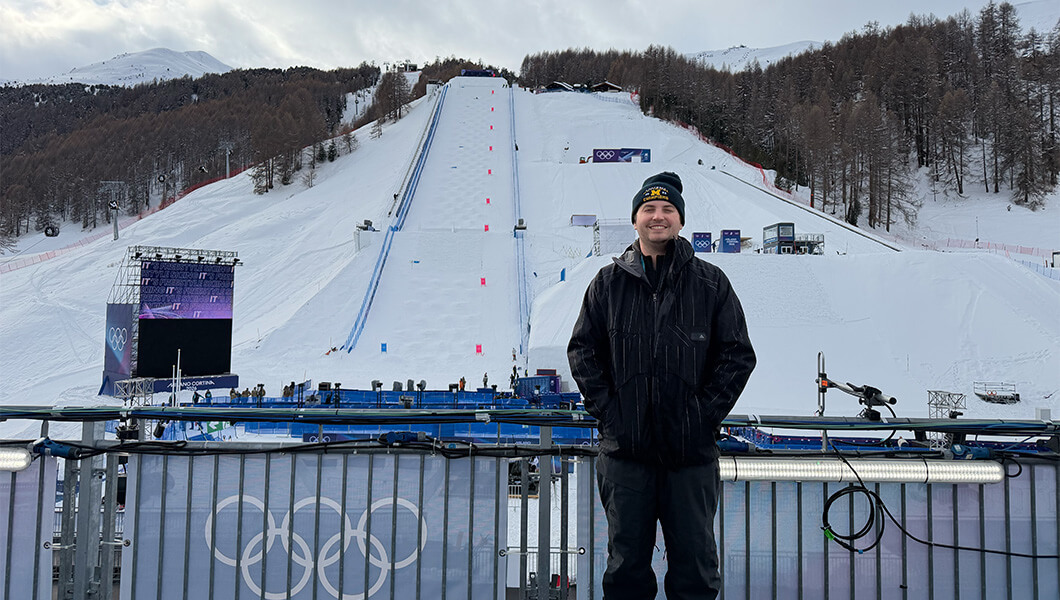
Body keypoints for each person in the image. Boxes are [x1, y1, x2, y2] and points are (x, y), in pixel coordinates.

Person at [567, 171, 756, 600]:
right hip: (626, 456)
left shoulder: (710, 283)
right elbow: (582, 352)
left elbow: (737, 355)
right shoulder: (608, 284)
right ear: (635, 220)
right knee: (627, 571)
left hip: (689, 458)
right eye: (649, 209)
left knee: (695, 571)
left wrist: (700, 416)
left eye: (667, 209)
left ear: (680, 220)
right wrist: (614, 415)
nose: (658, 216)